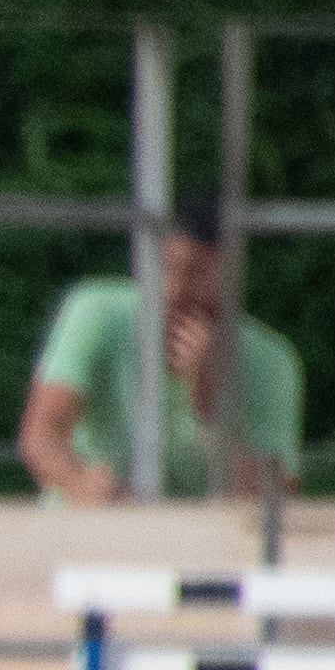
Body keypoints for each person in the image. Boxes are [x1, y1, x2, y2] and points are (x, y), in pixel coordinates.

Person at [19, 190, 302, 504]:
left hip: (199, 545)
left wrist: (210, 406)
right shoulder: (96, 311)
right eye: (168, 267)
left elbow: (275, 501)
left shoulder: (271, 361)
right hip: (89, 532)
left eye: (197, 272)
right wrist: (80, 483)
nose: (176, 291)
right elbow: (42, 431)